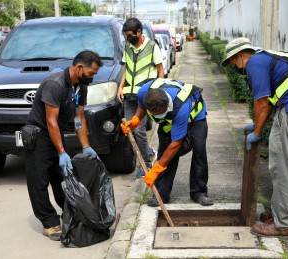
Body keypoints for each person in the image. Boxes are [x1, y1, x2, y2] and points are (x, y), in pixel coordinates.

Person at [221, 37, 288, 236]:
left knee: (283, 168)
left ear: (240, 55)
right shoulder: (270, 57)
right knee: (286, 166)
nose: (236, 68)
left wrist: (257, 133)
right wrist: (258, 125)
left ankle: (282, 224)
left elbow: (261, 102)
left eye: (234, 62)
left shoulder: (254, 63)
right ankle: (278, 214)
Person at [24, 50, 102, 241]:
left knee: (62, 178)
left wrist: (86, 146)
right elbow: (51, 122)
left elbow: (79, 117)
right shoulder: (55, 84)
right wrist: (61, 152)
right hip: (40, 134)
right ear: (79, 67)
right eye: (91, 73)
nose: (92, 78)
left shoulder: (80, 86)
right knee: (39, 181)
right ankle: (49, 222)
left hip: (56, 132)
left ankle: (68, 211)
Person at [121, 78, 214, 207]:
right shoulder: (144, 92)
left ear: (166, 105)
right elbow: (141, 107)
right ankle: (161, 193)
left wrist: (156, 169)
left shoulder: (180, 106)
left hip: (195, 117)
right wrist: (136, 120)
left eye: (160, 113)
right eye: (154, 114)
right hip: (169, 120)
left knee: (199, 150)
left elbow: (176, 143)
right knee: (165, 151)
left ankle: (199, 193)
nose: (157, 116)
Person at [117, 17, 164, 176]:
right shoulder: (127, 47)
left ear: (139, 32)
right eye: (125, 35)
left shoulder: (152, 47)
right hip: (129, 96)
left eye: (130, 35)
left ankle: (146, 165)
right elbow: (126, 68)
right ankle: (149, 152)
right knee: (130, 130)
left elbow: (160, 70)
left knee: (139, 131)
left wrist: (159, 91)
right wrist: (120, 87)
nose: (127, 38)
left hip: (144, 96)